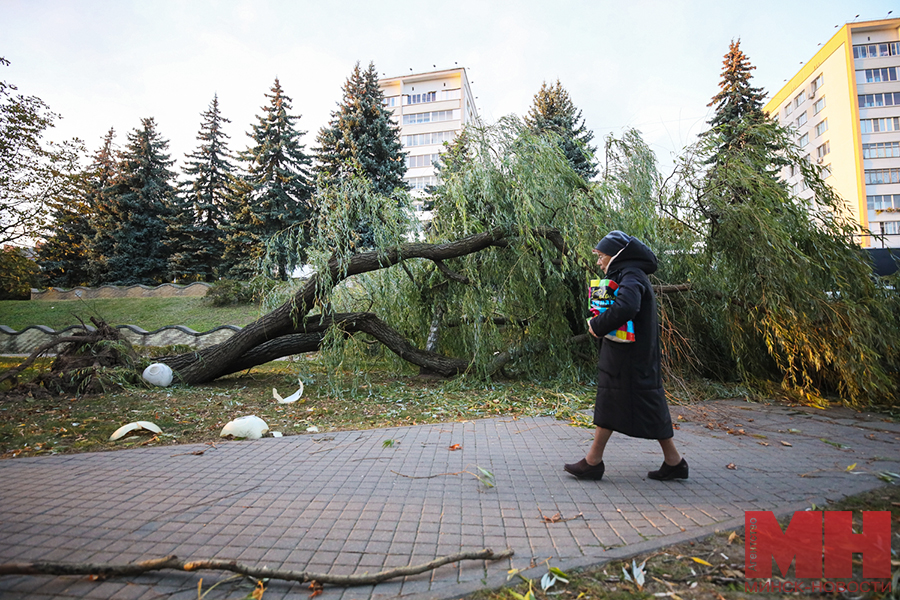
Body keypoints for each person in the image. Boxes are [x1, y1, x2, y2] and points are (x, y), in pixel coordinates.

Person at [564, 230, 688, 481]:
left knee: (638, 404)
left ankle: (594, 462)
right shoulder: (627, 273)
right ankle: (596, 461)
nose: (599, 262)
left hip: (630, 358)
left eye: (602, 256)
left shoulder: (631, 275)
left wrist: (597, 326)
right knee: (618, 403)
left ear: (616, 255)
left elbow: (627, 307)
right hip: (627, 356)